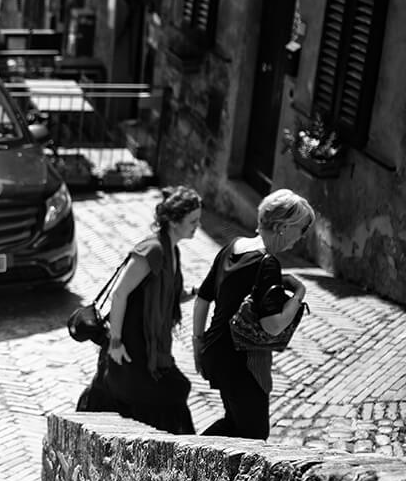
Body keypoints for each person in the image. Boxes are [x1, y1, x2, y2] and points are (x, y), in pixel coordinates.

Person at [76, 186, 203, 434]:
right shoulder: (152, 249)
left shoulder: (172, 250)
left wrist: (198, 292)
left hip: (150, 346)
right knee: (154, 397)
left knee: (164, 396)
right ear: (174, 221)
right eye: (193, 221)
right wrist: (115, 343)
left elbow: (170, 297)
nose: (197, 226)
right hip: (130, 344)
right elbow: (120, 293)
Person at [192, 189, 314, 439]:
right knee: (255, 435)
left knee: (235, 424)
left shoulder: (232, 247)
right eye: (300, 229)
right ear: (282, 226)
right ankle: (182, 458)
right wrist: (299, 293)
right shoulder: (267, 262)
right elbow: (273, 326)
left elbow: (203, 299)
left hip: (215, 351)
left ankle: (184, 460)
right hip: (243, 363)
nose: (300, 238)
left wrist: (198, 343)